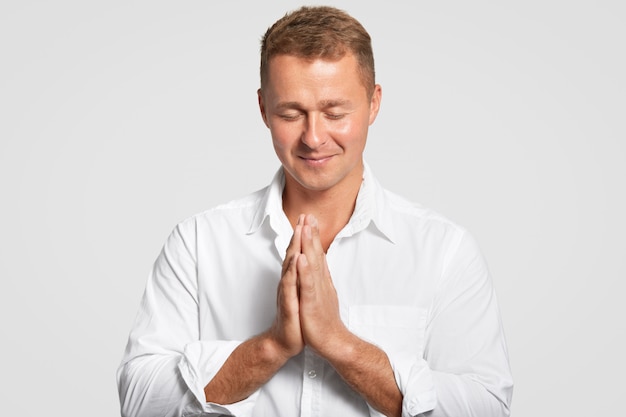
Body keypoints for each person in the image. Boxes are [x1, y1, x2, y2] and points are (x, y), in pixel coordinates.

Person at [117, 5, 513, 417]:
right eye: (291, 113)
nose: (313, 137)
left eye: (335, 113)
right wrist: (270, 347)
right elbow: (140, 400)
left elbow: (486, 407)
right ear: (262, 109)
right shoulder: (198, 244)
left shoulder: (445, 250)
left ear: (374, 103)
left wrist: (342, 345)